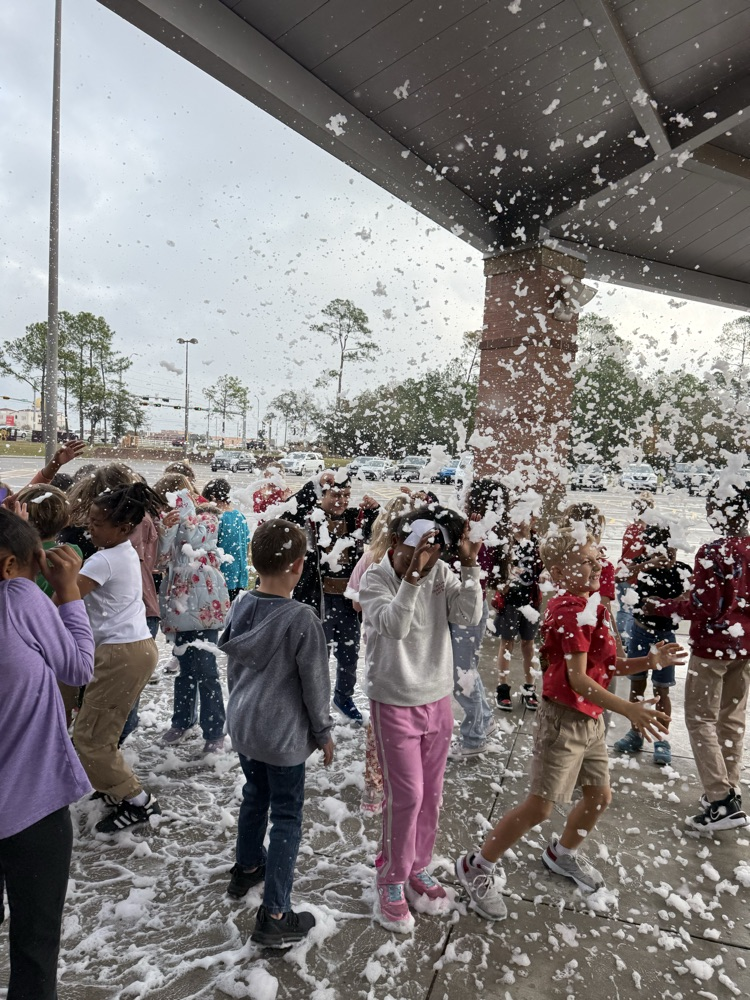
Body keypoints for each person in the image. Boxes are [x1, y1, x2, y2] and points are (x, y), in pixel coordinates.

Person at [454, 528, 684, 920]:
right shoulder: (567, 611)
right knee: (541, 807)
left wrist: (650, 662)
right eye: (586, 560)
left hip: (591, 719)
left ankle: (562, 854)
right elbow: (578, 680)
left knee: (599, 797)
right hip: (563, 721)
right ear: (559, 570)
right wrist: (629, 710)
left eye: (597, 557)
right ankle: (477, 865)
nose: (597, 564)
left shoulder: (596, 604)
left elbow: (609, 666)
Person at [360, 508, 482, 932]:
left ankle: (417, 865)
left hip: (437, 696)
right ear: (397, 542)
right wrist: (412, 577)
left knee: (432, 793)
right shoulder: (376, 578)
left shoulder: (443, 571)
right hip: (394, 698)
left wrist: (469, 566)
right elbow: (394, 626)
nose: (429, 552)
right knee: (406, 795)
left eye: (435, 543)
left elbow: (467, 615)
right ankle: (391, 875)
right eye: (420, 543)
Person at [219, 519, 334, 947]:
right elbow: (315, 685)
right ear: (299, 566)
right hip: (282, 738)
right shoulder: (302, 619)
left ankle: (247, 867)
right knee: (287, 814)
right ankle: (276, 913)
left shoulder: (241, 604)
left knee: (255, 795)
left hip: (246, 726)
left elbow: (234, 667)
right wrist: (323, 732)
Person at [0, 510, 94, 1000]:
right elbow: (78, 668)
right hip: (30, 806)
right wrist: (67, 590)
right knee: (34, 946)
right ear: (11, 565)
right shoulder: (17, 598)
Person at [73, 483, 163, 833]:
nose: (90, 528)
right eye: (90, 520)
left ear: (124, 528)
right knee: (98, 732)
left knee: (90, 739)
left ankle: (139, 802)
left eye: (97, 523)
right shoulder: (122, 551)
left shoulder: (104, 559)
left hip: (120, 654)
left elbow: (66, 597)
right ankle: (112, 788)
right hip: (133, 649)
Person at [660, 485, 750, 831]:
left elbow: (705, 607)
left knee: (700, 719)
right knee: (731, 720)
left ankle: (720, 801)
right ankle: (729, 789)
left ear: (720, 512)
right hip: (744, 647)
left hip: (713, 647)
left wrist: (666, 605)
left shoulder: (714, 551)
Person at [283, 470, 379, 725]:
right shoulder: (310, 519)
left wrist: (375, 511)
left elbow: (379, 533)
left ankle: (343, 698)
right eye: (335, 494)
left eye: (346, 495)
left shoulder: (355, 518)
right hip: (317, 600)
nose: (341, 500)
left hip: (347, 602)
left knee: (349, 655)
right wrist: (312, 485)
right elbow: (286, 514)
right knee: (317, 658)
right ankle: (316, 703)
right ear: (322, 495)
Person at [346, 493, 414, 815]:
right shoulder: (414, 560)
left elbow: (356, 601)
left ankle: (374, 789)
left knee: (379, 721)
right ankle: (398, 783)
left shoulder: (371, 556)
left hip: (378, 652)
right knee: (406, 720)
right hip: (410, 651)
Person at [158, 488, 231, 753]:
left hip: (203, 610)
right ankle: (182, 721)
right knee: (186, 671)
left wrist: (183, 516)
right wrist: (165, 530)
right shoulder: (175, 525)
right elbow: (162, 556)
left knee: (207, 671)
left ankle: (214, 730)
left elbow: (195, 537)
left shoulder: (207, 520)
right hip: (180, 608)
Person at [613, 524, 691, 766]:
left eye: (673, 551)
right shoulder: (642, 568)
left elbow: (691, 596)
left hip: (665, 636)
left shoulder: (682, 571)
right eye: (664, 551)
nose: (670, 557)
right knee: (637, 685)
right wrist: (645, 565)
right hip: (639, 632)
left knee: (662, 689)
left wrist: (667, 603)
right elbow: (618, 576)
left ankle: (662, 739)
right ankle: (635, 732)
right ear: (651, 549)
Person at [449, 477, 509, 758]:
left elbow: (469, 568)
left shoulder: (478, 530)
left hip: (467, 606)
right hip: (471, 604)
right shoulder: (492, 528)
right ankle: (484, 721)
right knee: (466, 668)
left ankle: (474, 739)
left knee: (460, 674)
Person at [16, 483, 84, 727]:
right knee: (58, 715)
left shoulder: (18, 556)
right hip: (58, 645)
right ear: (65, 520)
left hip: (23, 648)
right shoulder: (71, 553)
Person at [493, 515, 542, 712]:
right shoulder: (507, 541)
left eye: (525, 516)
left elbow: (543, 568)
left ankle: (529, 687)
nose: (519, 520)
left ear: (533, 519)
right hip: (510, 600)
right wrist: (501, 583)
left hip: (531, 600)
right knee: (507, 643)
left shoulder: (537, 542)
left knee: (528, 644)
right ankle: (502, 687)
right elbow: (497, 570)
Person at [615, 492, 654, 646]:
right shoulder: (646, 532)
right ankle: (629, 639)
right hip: (634, 575)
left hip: (622, 571)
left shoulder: (631, 528)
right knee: (632, 610)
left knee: (623, 609)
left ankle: (621, 638)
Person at [2, 439, 85, 509]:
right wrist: (55, 464)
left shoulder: (6, 503)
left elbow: (29, 491)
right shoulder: (6, 502)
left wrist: (55, 464)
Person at [203, 478, 250, 601]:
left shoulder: (217, 518)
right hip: (239, 575)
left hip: (222, 575)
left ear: (212, 497)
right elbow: (246, 544)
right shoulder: (240, 516)